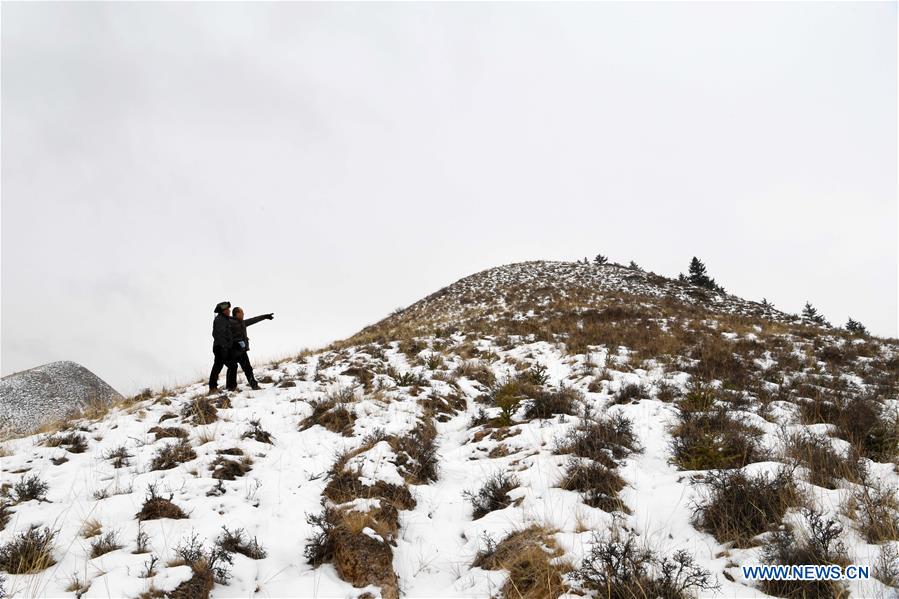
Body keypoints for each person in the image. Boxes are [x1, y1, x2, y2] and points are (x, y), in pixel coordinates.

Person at [227, 307, 274, 390]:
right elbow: (225, 336)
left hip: (242, 351)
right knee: (232, 368)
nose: (243, 314)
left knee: (248, 368)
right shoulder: (229, 322)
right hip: (233, 351)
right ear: (237, 313)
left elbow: (254, 320)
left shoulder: (243, 323)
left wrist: (265, 316)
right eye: (242, 312)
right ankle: (230, 387)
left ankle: (254, 385)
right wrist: (234, 343)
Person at [209, 301, 237, 393]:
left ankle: (229, 387)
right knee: (221, 366)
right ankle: (214, 388)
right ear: (223, 311)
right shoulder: (220, 319)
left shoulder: (225, 318)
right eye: (228, 309)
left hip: (223, 347)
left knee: (224, 366)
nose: (229, 310)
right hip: (221, 348)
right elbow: (218, 335)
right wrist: (225, 347)